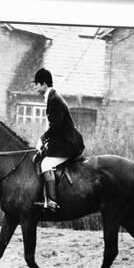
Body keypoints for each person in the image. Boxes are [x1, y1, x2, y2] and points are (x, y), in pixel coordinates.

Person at [32, 68, 84, 211]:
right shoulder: (52, 97)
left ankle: (52, 202)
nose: (34, 87)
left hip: (69, 144)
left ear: (43, 84)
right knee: (42, 158)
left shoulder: (54, 100)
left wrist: (42, 140)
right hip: (63, 141)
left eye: (36, 84)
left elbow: (56, 127)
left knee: (46, 164)